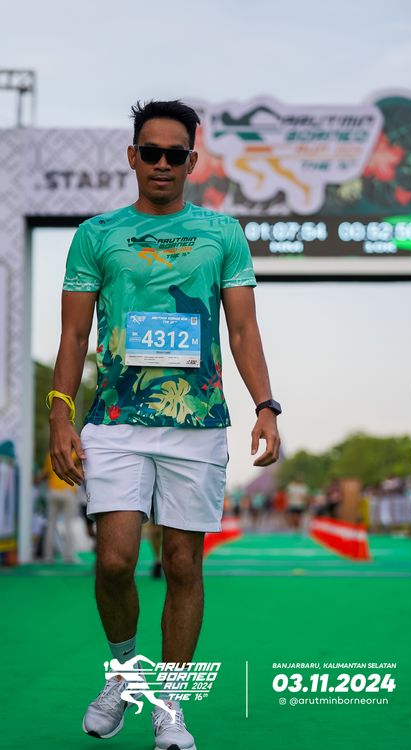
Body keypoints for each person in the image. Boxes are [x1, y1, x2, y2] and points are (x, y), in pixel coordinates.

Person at [47, 100, 281, 750]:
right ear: (132, 156)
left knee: (182, 564)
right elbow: (73, 335)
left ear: (191, 161)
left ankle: (169, 706)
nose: (161, 163)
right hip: (115, 420)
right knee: (115, 560)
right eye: (149, 152)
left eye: (174, 154)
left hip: (196, 423)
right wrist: (59, 412)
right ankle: (125, 673)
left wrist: (266, 405)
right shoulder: (97, 234)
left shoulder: (222, 233)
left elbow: (243, 329)